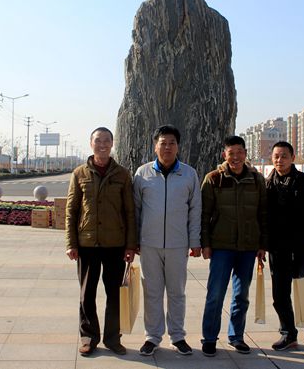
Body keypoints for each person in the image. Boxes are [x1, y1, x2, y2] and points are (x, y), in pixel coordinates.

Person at [65, 127, 137, 357]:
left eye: (107, 140)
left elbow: (130, 212)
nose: (102, 144)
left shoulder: (122, 174)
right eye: (98, 141)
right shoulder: (79, 173)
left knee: (115, 294)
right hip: (87, 244)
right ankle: (89, 338)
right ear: (91, 144)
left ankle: (113, 338)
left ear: (112, 143)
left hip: (115, 244)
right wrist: (71, 243)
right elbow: (71, 210)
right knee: (86, 294)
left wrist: (130, 245)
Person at [133, 124, 201, 356]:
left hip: (177, 244)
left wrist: (194, 241)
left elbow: (195, 210)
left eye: (172, 143)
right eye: (163, 143)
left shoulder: (189, 174)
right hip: (149, 244)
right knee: (152, 292)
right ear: (155, 146)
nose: (167, 147)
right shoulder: (142, 173)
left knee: (176, 292)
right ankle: (152, 337)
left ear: (178, 146)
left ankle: (178, 336)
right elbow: (135, 209)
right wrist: (135, 240)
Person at [200, 135, 268, 357]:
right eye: (231, 153)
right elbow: (204, 214)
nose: (236, 157)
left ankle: (236, 336)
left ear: (245, 154)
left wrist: (262, 244)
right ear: (224, 155)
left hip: (248, 246)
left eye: (240, 152)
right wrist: (205, 243)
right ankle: (209, 338)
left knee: (241, 295)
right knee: (215, 294)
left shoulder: (256, 180)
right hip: (221, 246)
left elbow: (263, 214)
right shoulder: (213, 179)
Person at [265, 141, 304, 358]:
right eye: (276, 156)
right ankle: (288, 335)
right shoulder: (267, 185)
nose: (279, 160)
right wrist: (262, 246)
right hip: (277, 250)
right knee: (280, 296)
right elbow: (262, 219)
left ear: (293, 158)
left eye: (284, 156)